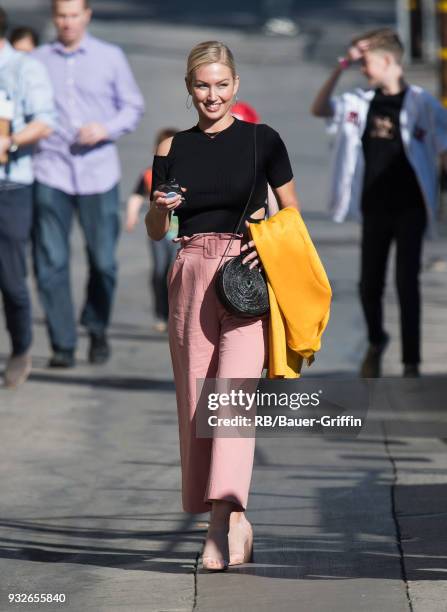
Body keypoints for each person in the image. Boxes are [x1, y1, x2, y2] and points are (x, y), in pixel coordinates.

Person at [145, 40, 300, 571]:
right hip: (190, 272)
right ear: (190, 90)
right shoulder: (171, 147)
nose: (212, 95)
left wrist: (265, 243)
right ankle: (235, 518)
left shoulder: (264, 140)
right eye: (202, 85)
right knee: (196, 404)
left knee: (231, 401)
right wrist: (159, 209)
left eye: (221, 84)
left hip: (246, 276)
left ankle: (217, 525)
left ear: (236, 86)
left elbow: (291, 213)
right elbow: (156, 227)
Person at [311, 28, 447, 378]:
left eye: (367, 63)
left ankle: (411, 363)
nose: (363, 69)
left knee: (406, 283)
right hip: (374, 207)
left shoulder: (422, 104)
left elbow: (443, 147)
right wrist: (341, 65)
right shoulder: (359, 102)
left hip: (411, 208)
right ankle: (376, 339)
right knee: (368, 284)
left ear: (388, 61)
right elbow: (320, 108)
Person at [32, 0, 145, 368]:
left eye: (74, 15)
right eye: (61, 16)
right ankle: (62, 344)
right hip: (50, 170)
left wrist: (105, 128)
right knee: (51, 262)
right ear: (54, 18)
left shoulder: (109, 57)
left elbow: (132, 106)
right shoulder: (37, 60)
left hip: (98, 173)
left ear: (87, 16)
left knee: (103, 262)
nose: (67, 22)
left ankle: (96, 328)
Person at [0, 6, 55, 387]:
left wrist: (11, 139)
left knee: (10, 277)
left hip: (11, 184)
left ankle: (21, 348)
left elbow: (44, 121)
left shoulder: (23, 68)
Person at [125, 128, 179, 333]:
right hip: (158, 234)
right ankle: (160, 313)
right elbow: (137, 196)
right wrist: (131, 215)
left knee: (175, 273)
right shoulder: (149, 174)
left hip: (180, 235)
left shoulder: (187, 172)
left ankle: (175, 311)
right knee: (159, 272)